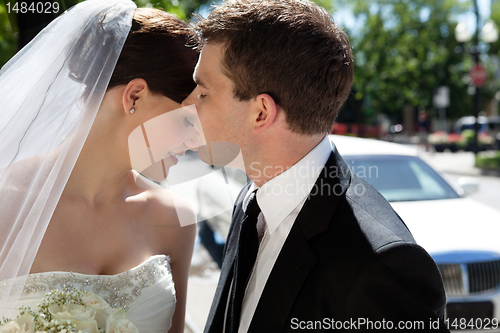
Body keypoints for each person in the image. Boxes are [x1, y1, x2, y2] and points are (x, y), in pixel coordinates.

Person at [182, 0, 450, 332]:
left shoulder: (381, 267)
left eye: (203, 92)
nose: (187, 104)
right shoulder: (252, 202)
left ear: (261, 112)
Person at [0, 1, 202, 332]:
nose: (197, 140)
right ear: (134, 96)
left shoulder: (175, 220)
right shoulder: (7, 205)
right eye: (188, 120)